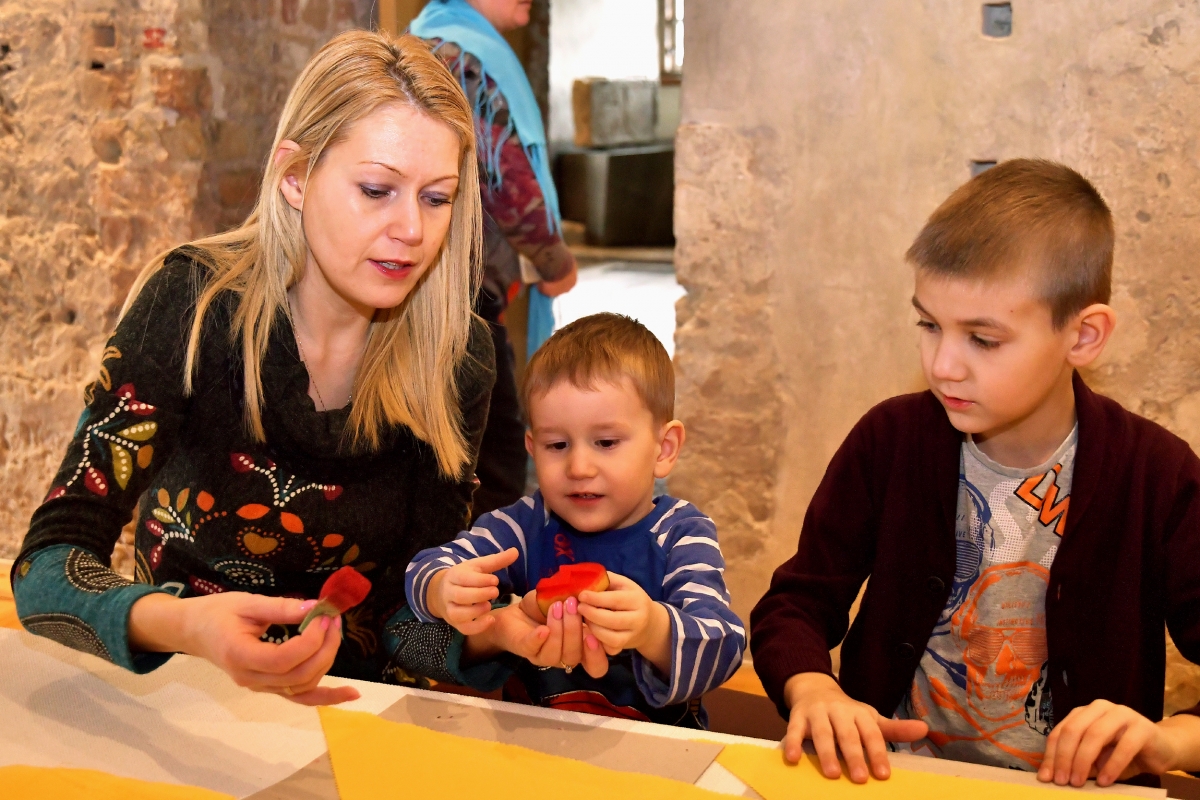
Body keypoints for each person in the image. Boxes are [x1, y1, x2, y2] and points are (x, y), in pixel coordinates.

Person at [9, 31, 576, 705]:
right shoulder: (191, 308)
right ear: (295, 177)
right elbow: (48, 565)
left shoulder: (456, 357)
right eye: (376, 190)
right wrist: (186, 626)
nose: (413, 231)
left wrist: (494, 633)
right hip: (184, 701)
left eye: (436, 198)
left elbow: (408, 618)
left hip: (355, 721)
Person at [750, 159, 1200, 787]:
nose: (943, 365)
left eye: (983, 340)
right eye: (929, 325)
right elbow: (795, 603)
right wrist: (814, 690)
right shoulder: (890, 439)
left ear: (1083, 336)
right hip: (892, 778)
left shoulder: (1159, 474)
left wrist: (1167, 740)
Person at [404, 314, 746, 727]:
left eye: (606, 442)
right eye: (557, 445)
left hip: (657, 752)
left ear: (664, 448)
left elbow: (725, 647)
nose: (579, 467)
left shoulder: (682, 535)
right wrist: (442, 588)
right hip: (530, 743)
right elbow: (426, 567)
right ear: (533, 449)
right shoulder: (525, 525)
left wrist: (652, 629)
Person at [412, 0, 579, 517]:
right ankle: (484, 561)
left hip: (450, 286)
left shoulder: (439, 45)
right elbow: (503, 175)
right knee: (495, 455)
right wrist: (553, 259)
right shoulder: (460, 57)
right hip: (458, 293)